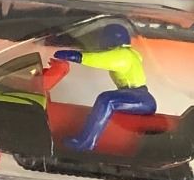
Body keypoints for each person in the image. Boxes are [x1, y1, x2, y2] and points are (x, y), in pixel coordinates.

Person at [54, 24, 155, 153]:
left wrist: (77, 56)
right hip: (139, 96)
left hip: (139, 98)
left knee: (106, 100)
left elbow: (99, 59)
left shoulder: (122, 55)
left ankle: (86, 143)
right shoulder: (131, 53)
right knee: (108, 99)